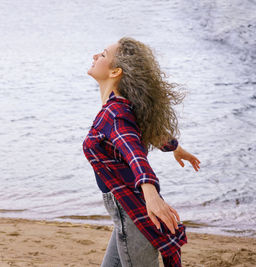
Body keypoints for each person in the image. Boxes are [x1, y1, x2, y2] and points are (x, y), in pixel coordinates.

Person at [82, 37, 201, 267]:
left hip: (134, 213)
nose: (95, 56)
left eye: (103, 54)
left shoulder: (115, 114)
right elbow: (142, 132)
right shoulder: (123, 107)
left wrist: (151, 193)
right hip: (126, 212)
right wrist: (176, 148)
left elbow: (134, 154)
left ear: (116, 71)